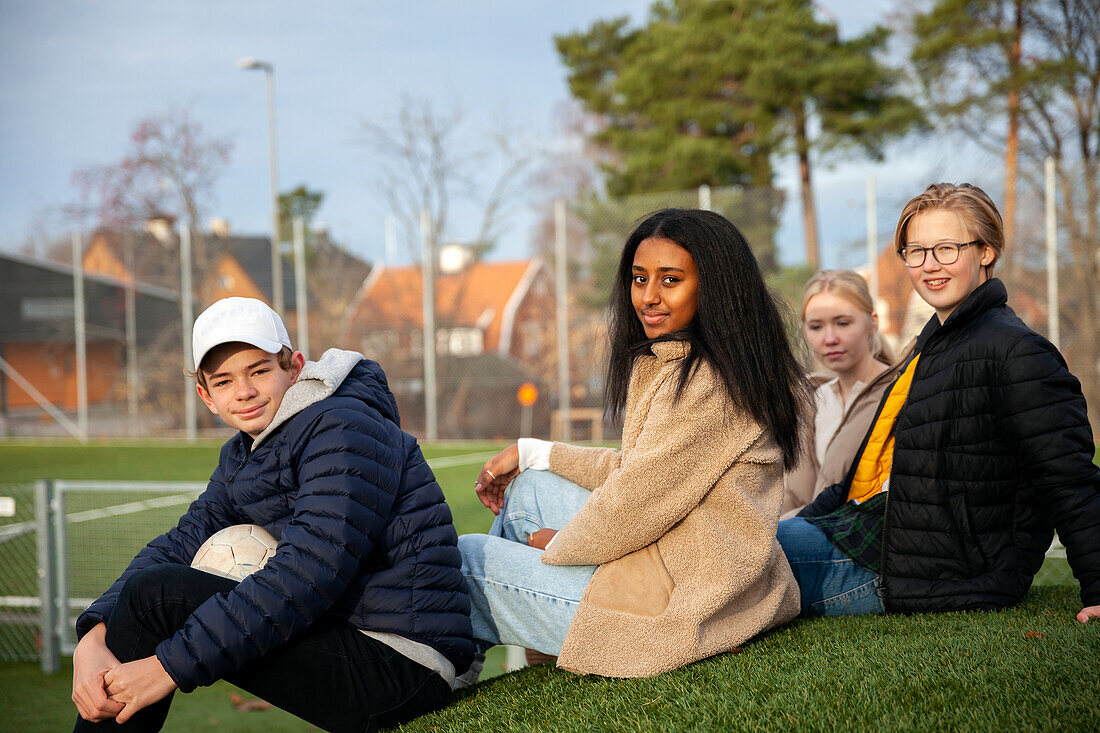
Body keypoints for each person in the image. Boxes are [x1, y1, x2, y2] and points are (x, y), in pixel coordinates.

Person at [71, 297, 473, 733]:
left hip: (401, 665)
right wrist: (94, 635)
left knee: (159, 596)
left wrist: (167, 668)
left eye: (259, 371)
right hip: (353, 640)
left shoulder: (343, 426)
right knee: (153, 588)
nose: (243, 391)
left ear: (294, 367)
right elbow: (182, 542)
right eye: (223, 381)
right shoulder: (245, 455)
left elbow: (309, 572)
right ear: (206, 396)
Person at [459, 208, 807, 678]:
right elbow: (639, 469)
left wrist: (558, 545)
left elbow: (635, 501)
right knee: (530, 489)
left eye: (671, 280)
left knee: (464, 558)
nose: (649, 297)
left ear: (715, 287)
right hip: (676, 560)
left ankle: (456, 670)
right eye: (640, 279)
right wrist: (534, 453)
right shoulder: (684, 361)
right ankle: (528, 648)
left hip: (683, 599)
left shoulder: (710, 382)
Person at [778, 182, 1100, 622]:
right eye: (917, 251)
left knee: (739, 560)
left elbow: (1071, 477)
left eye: (947, 248)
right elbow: (872, 469)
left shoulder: (1017, 351)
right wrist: (805, 522)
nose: (930, 265)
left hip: (942, 571)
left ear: (986, 251)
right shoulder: (930, 348)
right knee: (753, 541)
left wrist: (1098, 588)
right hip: (881, 531)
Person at [783, 270, 898, 518]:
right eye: (816, 326)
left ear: (873, 322)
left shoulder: (900, 392)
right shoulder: (808, 399)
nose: (830, 338)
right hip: (800, 543)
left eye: (843, 323)